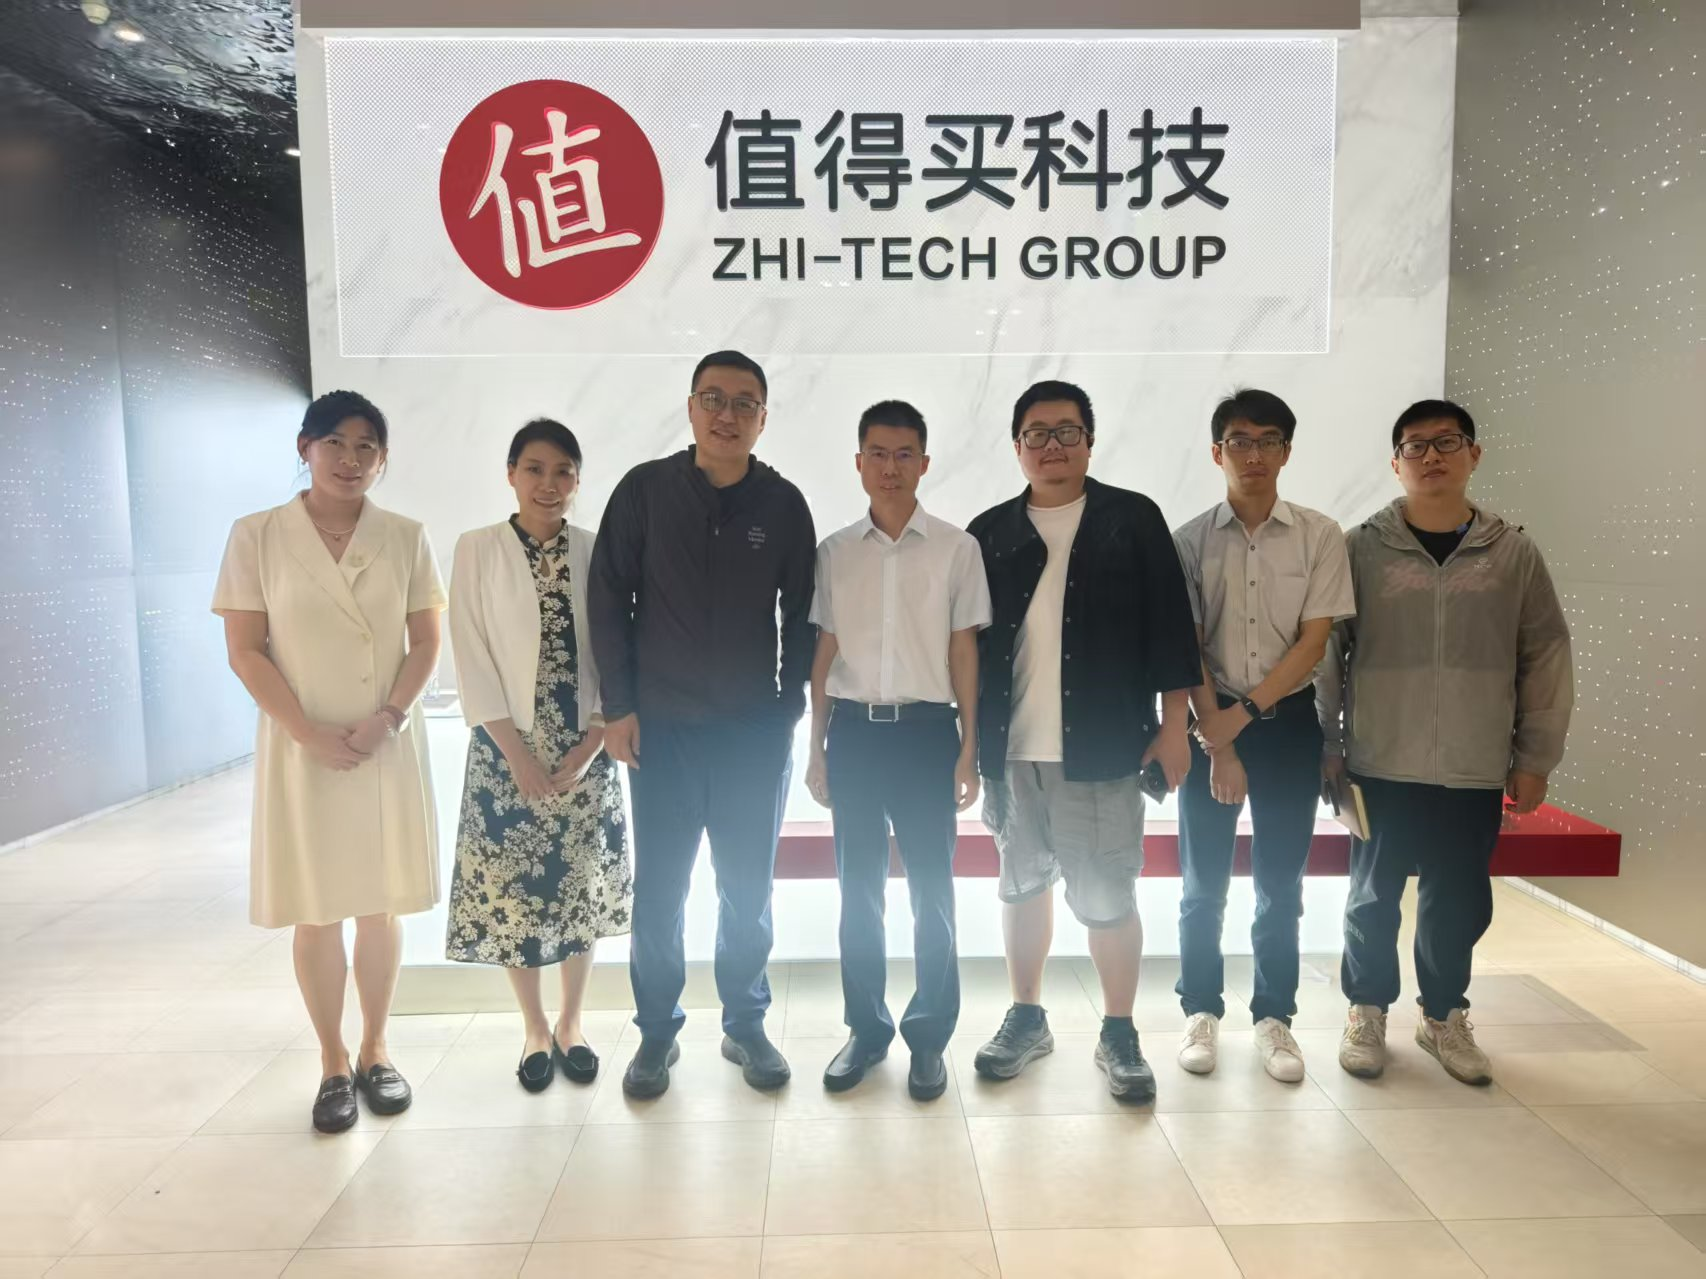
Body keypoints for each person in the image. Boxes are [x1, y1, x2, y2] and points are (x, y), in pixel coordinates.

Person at [1319, 399, 1573, 1085]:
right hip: (1380, 757)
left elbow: (1545, 654)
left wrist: (1535, 757)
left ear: (1474, 454)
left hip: (1474, 762)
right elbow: (1328, 653)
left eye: (1446, 442)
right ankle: (1366, 1008)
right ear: (1395, 462)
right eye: (1415, 445)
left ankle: (1442, 1015)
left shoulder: (1513, 553)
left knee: (1457, 898)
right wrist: (1328, 745)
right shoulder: (1360, 547)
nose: (1431, 456)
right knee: (1371, 897)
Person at [213, 390, 445, 1134]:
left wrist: (389, 717)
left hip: (384, 741)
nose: (350, 459)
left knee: (378, 905)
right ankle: (333, 1060)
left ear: (384, 458)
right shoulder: (257, 535)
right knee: (316, 910)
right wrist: (306, 732)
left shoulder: (405, 536)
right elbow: (246, 649)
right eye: (335, 443)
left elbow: (426, 642)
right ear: (304, 447)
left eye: (366, 446)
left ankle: (377, 1048)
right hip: (301, 744)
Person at [589, 350, 816, 1099]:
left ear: (763, 418)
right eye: (713, 399)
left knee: (747, 890)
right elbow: (608, 599)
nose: (727, 414)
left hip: (753, 735)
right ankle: (656, 1032)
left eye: (745, 403)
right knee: (660, 890)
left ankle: (746, 1023)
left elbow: (804, 614)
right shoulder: (645, 492)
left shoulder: (782, 504)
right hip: (663, 733)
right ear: (690, 407)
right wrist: (619, 707)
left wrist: (787, 708)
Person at [967, 380, 1201, 1102]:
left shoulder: (1132, 519)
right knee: (1020, 886)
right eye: (1036, 434)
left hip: (1103, 749)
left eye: (1067, 431)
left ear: (1090, 442)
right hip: (1012, 752)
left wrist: (1174, 729)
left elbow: (1171, 629)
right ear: (1017, 447)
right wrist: (968, 747)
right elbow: (967, 649)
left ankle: (1120, 1030)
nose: (1052, 446)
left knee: (1107, 894)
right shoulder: (989, 530)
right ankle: (1026, 1016)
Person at [803, 400, 990, 1102]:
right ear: (858, 463)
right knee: (858, 893)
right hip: (853, 734)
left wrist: (968, 747)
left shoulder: (956, 548)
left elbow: (964, 653)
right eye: (877, 454)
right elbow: (824, 655)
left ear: (924, 462)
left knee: (933, 894)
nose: (890, 467)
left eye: (904, 453)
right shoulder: (834, 552)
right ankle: (866, 1029)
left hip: (926, 735)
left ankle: (930, 1036)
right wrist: (815, 747)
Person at [1171, 389, 1356, 1083]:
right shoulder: (1189, 540)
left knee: (1281, 884)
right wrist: (1217, 742)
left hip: (1285, 727)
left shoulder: (1319, 535)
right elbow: (1187, 646)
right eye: (1240, 441)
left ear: (1286, 451)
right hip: (1209, 723)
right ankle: (1200, 1010)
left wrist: (1239, 719)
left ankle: (1274, 1016)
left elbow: (1314, 643)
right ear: (1217, 451)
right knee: (1202, 884)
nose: (1254, 454)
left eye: (1268, 440)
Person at [445, 419, 632, 1092]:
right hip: (506, 749)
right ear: (511, 474)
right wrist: (518, 757)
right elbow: (470, 653)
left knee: (579, 888)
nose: (548, 484)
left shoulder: (596, 549)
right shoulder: (478, 549)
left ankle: (572, 1021)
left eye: (563, 472)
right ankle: (532, 1026)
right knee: (514, 895)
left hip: (586, 744)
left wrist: (594, 741)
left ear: (578, 480)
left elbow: (617, 646)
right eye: (534, 469)